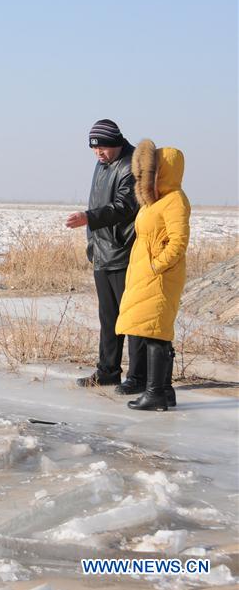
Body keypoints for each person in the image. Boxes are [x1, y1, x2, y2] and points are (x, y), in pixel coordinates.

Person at [66, 119, 143, 388]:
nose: (98, 153)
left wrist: (88, 218)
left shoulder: (132, 165)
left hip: (123, 253)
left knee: (131, 318)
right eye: (94, 148)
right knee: (108, 317)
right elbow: (97, 202)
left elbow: (124, 206)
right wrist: (92, 241)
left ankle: (138, 377)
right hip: (101, 252)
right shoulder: (102, 165)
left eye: (103, 147)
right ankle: (108, 371)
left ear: (117, 142)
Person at [115, 140, 191, 411]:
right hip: (146, 274)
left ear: (165, 170)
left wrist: (157, 266)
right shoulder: (154, 201)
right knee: (154, 332)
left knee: (155, 334)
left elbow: (178, 242)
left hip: (160, 276)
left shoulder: (175, 200)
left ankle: (155, 393)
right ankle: (165, 392)